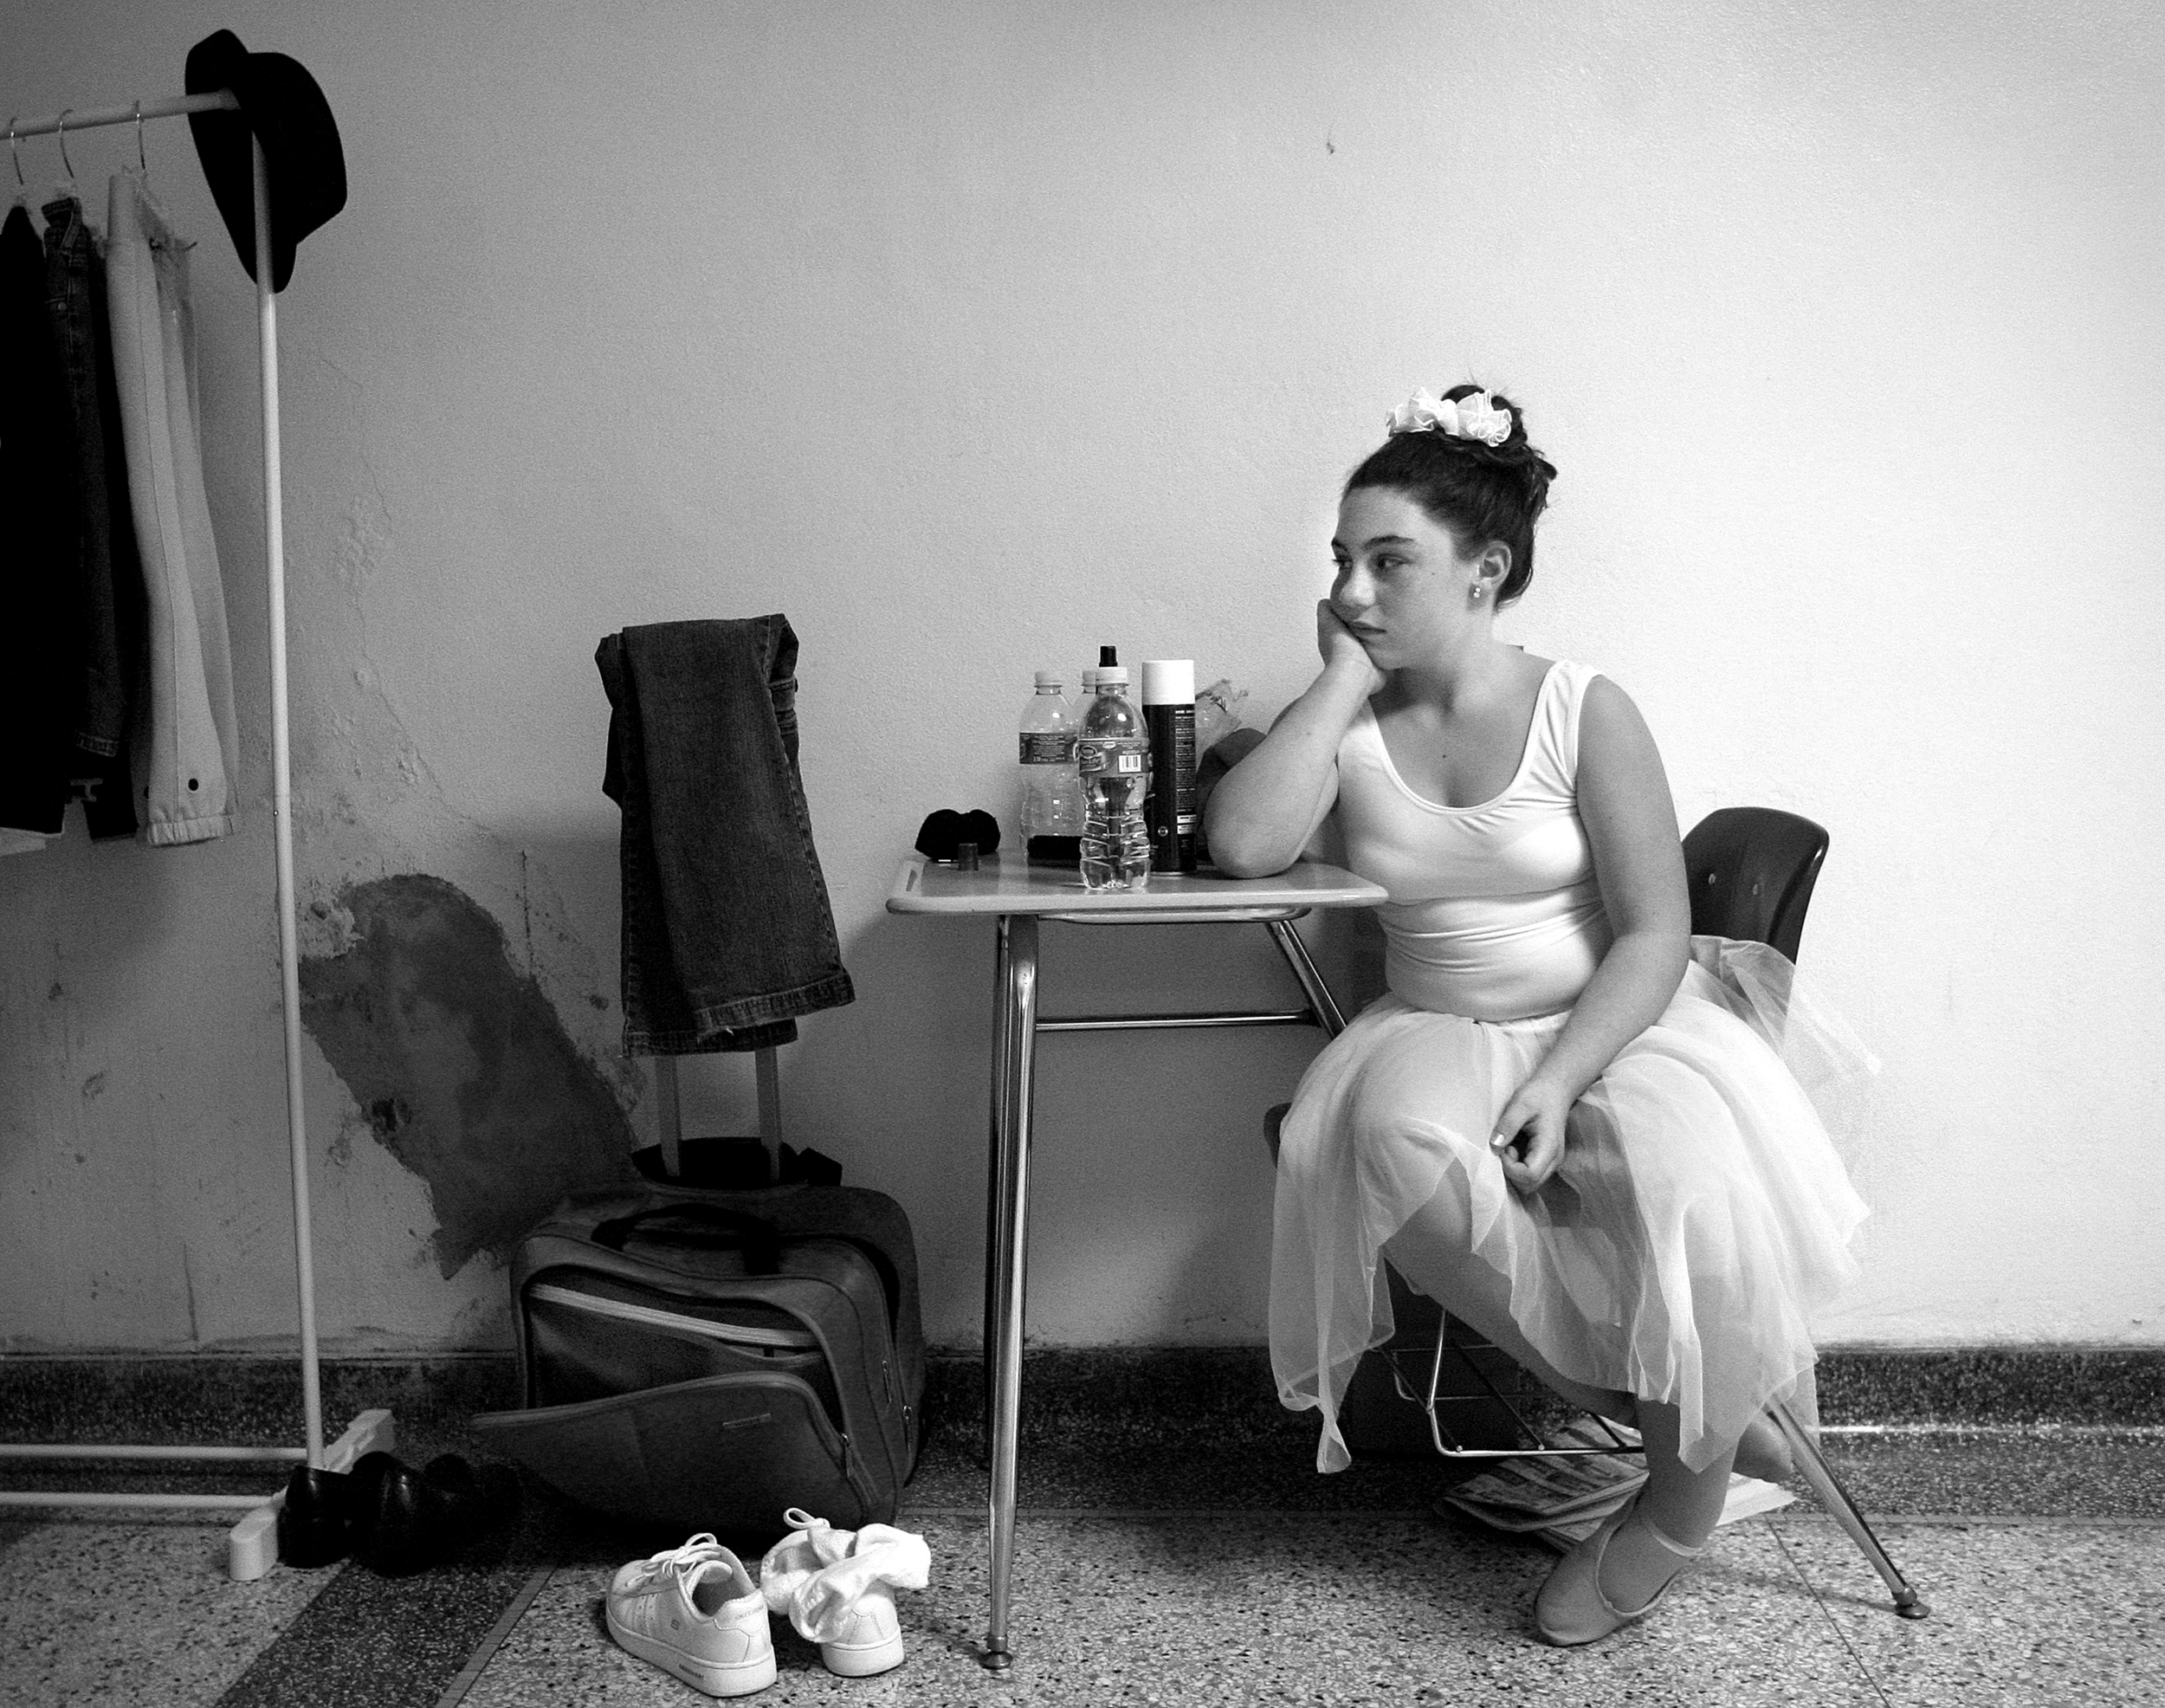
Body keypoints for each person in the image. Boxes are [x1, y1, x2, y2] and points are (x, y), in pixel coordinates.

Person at [1206, 384, 1871, 1646]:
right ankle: (1685, 1421)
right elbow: (1244, 845)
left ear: (1483, 570)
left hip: (1611, 1023)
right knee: (1369, 1147)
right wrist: (1341, 678)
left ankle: (1673, 1512)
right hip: (1433, 1023)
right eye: (1342, 561)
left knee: (1694, 1192)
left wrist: (1562, 1079)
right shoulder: (1351, 718)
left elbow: (1656, 932)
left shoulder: (1583, 706)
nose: (1353, 587)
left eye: (1387, 562)